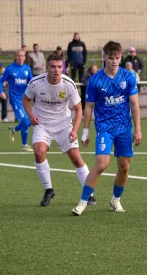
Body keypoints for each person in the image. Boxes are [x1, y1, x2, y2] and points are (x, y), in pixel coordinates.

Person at [74, 41, 141, 216]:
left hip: (124, 128)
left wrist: (138, 129)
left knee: (124, 166)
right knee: (102, 164)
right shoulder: (95, 80)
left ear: (121, 57)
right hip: (104, 128)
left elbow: (134, 104)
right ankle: (82, 202)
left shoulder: (128, 77)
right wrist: (86, 131)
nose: (114, 61)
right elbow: (89, 107)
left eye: (117, 58)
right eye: (110, 58)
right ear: (104, 57)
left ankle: (115, 200)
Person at [22, 54, 94, 207]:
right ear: (46, 67)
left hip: (63, 125)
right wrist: (31, 116)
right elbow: (25, 100)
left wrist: (74, 130)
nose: (56, 70)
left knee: (76, 158)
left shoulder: (68, 84)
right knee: (38, 152)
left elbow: (78, 108)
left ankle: (89, 194)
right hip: (42, 124)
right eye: (53, 67)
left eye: (59, 67)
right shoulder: (36, 83)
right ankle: (49, 189)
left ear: (64, 68)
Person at [0, 50, 33, 151]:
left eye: (22, 56)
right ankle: (24, 145)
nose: (20, 57)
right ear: (15, 57)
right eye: (18, 56)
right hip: (15, 99)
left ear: (25, 57)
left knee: (31, 121)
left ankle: (14, 130)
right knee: (26, 121)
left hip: (25, 99)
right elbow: (1, 82)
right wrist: (1, 92)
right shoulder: (9, 69)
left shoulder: (27, 69)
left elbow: (31, 82)